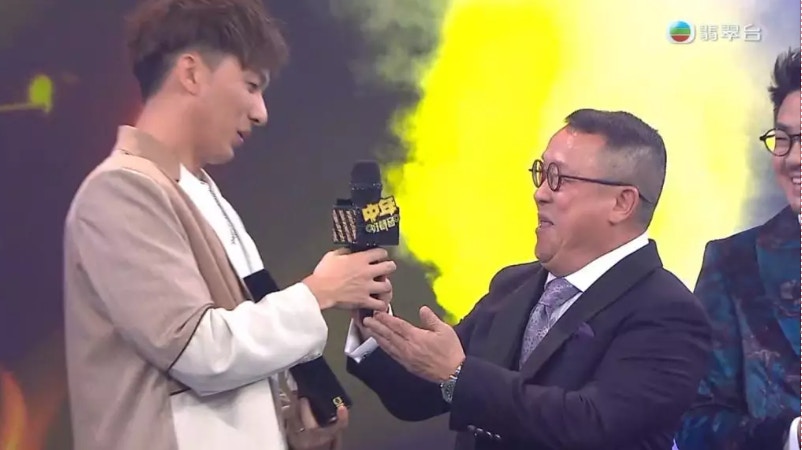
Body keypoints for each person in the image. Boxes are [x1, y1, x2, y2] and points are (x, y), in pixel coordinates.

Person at [62, 1, 396, 450]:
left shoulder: (203, 194)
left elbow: (238, 367)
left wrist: (293, 425)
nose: (261, 112)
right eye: (251, 85)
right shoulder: (121, 191)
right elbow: (200, 350)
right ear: (192, 73)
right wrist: (319, 292)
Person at [344, 109, 713, 450]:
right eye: (541, 173)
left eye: (559, 178)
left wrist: (459, 374)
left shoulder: (669, 313)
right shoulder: (512, 286)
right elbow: (419, 394)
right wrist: (372, 318)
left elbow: (593, 426)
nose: (540, 193)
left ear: (622, 203)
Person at [675, 48, 801, 450]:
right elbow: (692, 422)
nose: (793, 158)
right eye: (783, 139)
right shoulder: (734, 264)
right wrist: (792, 436)